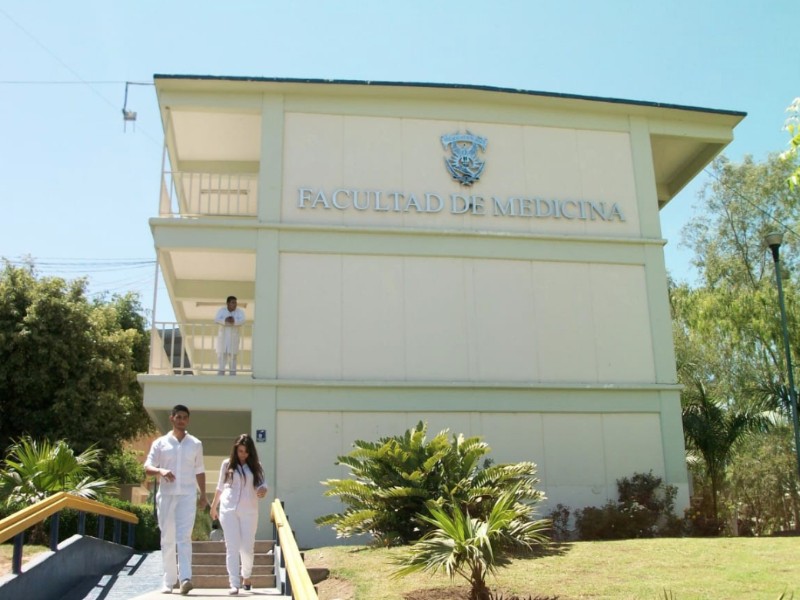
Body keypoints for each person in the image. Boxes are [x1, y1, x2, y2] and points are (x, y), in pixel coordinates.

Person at [145, 404, 208, 595]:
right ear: (172, 418)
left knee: (184, 537)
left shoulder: (195, 444)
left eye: (185, 417)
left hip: (187, 496)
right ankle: (169, 580)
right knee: (167, 538)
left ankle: (185, 578)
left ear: (188, 420)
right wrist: (160, 470)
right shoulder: (160, 443)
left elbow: (200, 471)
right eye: (178, 417)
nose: (181, 420)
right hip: (166, 496)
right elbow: (147, 467)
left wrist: (203, 495)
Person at [210, 433, 268, 595]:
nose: (243, 454)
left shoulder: (257, 466)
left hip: (249, 511)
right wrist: (214, 507)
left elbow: (263, 485)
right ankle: (234, 583)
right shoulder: (226, 464)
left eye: (246, 451)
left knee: (247, 548)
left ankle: (246, 576)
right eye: (240, 451)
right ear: (235, 450)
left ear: (251, 452)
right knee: (232, 547)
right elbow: (220, 487)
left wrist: (262, 490)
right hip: (228, 509)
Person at [215, 296, 246, 375]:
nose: (235, 304)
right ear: (228, 303)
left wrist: (234, 321)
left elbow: (242, 320)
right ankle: (220, 376)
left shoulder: (239, 312)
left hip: (233, 338)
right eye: (233, 302)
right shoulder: (222, 310)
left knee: (233, 358)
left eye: (235, 303)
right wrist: (225, 320)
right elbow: (216, 319)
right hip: (223, 339)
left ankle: (232, 376)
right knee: (222, 357)